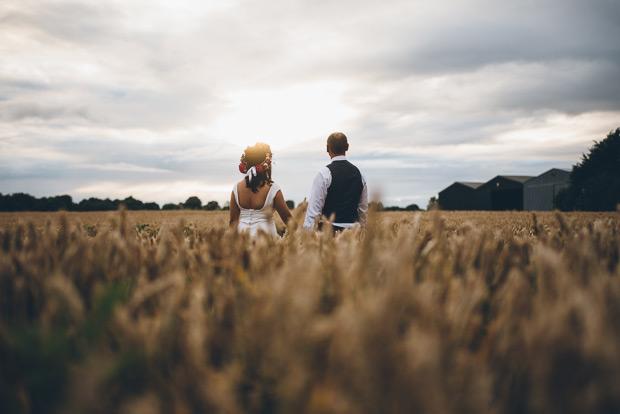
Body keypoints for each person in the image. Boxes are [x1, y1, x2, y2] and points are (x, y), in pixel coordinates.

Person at [303, 132, 368, 232]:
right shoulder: (360, 175)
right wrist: (361, 232)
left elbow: (313, 213)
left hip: (327, 235)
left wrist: (306, 239)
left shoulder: (323, 174)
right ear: (347, 147)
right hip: (353, 235)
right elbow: (363, 210)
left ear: (327, 148)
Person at [229, 143, 294, 237]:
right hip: (266, 241)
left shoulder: (236, 188)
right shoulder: (273, 189)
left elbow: (232, 221)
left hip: (242, 240)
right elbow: (288, 219)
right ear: (267, 164)